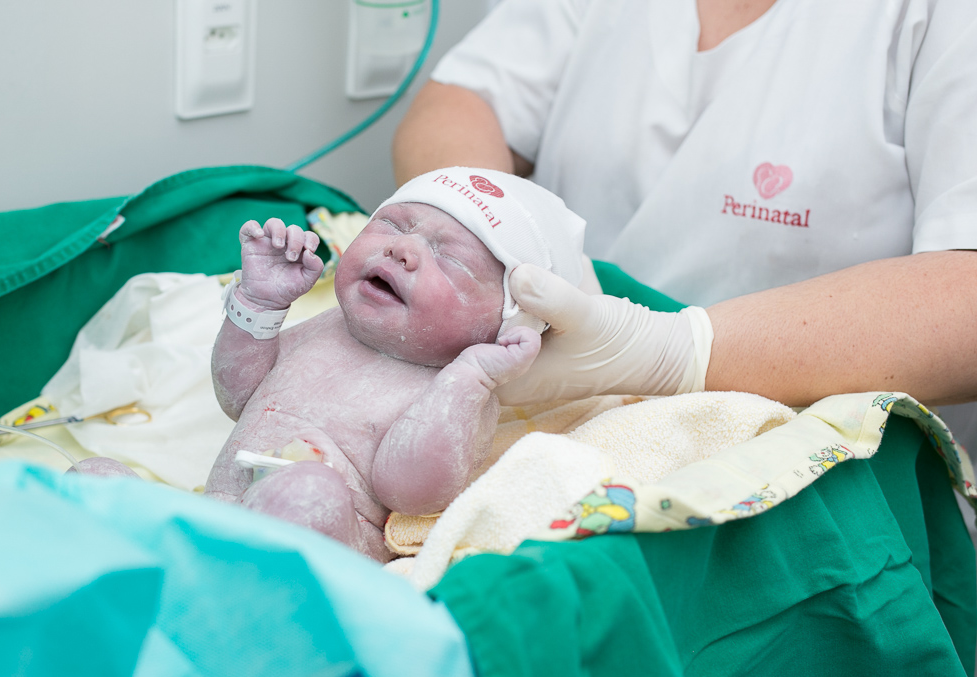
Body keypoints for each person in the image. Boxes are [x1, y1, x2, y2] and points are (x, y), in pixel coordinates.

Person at [392, 0, 977, 410]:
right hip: (562, 405)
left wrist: (671, 354)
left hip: (817, 458)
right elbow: (464, 102)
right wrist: (484, 251)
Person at [204, 168, 605, 560]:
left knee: (309, 494)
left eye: (451, 259)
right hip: (213, 517)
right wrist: (259, 304)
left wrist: (470, 378)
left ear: (505, 325)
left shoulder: (456, 388)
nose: (402, 249)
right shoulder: (328, 327)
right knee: (136, 492)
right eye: (393, 226)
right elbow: (240, 397)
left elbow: (409, 493)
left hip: (328, 544)